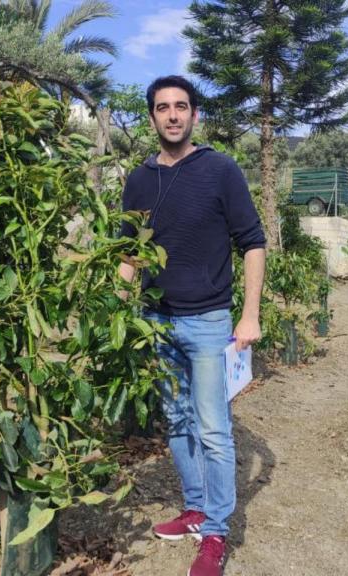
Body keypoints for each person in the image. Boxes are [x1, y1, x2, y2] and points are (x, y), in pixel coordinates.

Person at [118, 75, 266, 576]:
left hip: (207, 322)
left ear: (195, 115)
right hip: (156, 323)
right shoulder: (138, 180)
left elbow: (252, 241)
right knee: (178, 422)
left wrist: (250, 314)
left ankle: (217, 533)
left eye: (182, 106)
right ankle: (196, 508)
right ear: (152, 116)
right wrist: (116, 310)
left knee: (213, 429)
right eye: (163, 108)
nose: (173, 115)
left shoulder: (220, 170)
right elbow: (129, 253)